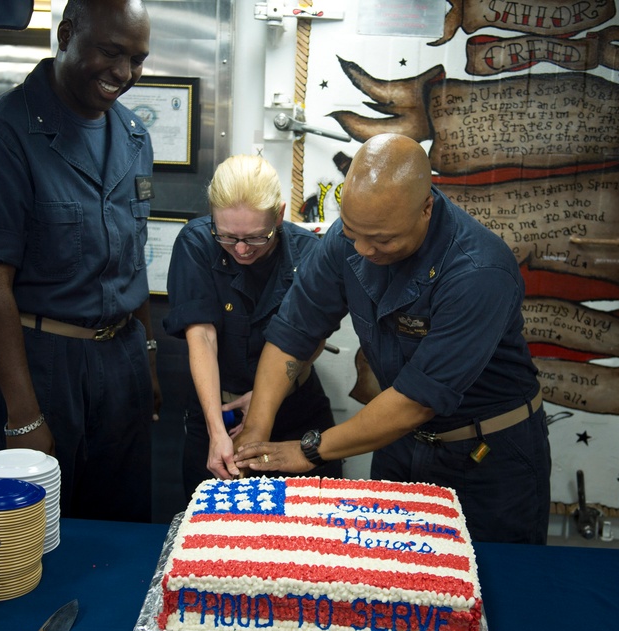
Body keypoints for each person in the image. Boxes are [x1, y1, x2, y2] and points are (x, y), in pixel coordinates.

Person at [233, 133, 551, 544]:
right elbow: (294, 334)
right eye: (352, 232)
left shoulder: (479, 271)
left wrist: (308, 449)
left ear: (426, 208)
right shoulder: (350, 237)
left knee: (492, 591)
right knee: (389, 583)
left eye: (383, 240)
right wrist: (257, 430)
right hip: (398, 444)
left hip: (485, 458)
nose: (363, 249)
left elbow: (417, 401)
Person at [0, 0, 161, 522]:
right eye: (111, 52)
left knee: (121, 526)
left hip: (121, 359)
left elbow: (133, 260)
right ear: (66, 35)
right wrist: (23, 415)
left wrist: (148, 356)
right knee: (27, 532)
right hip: (40, 364)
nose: (123, 73)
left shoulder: (133, 135)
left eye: (137, 59)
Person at [164, 155, 343, 501]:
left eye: (257, 238)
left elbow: (313, 336)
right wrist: (217, 431)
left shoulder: (310, 254)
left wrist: (266, 398)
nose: (242, 249)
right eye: (228, 237)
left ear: (278, 215)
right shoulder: (196, 244)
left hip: (296, 410)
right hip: (220, 411)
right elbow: (201, 336)